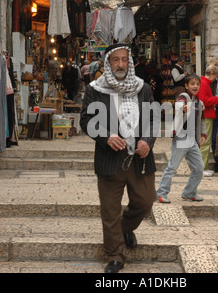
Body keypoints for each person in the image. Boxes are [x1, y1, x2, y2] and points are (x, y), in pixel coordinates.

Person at [80, 44, 157, 274]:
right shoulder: (95, 89)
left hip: (139, 157)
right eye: (116, 60)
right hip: (110, 157)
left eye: (124, 59)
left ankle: (124, 229)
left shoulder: (142, 88)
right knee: (110, 209)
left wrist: (147, 141)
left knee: (145, 202)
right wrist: (106, 137)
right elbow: (86, 120)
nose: (121, 64)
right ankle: (115, 254)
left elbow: (153, 118)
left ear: (130, 62)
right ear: (108, 63)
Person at [157, 74, 207, 204]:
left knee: (199, 168)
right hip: (181, 138)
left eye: (197, 84)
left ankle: (189, 192)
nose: (195, 86)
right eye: (192, 84)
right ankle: (162, 192)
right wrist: (183, 109)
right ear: (186, 86)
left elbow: (202, 120)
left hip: (193, 140)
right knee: (172, 167)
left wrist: (203, 135)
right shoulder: (183, 98)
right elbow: (179, 105)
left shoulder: (199, 103)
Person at [197, 64, 218, 177]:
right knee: (205, 142)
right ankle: (202, 168)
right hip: (206, 115)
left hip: (205, 114)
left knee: (204, 141)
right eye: (215, 75)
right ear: (211, 74)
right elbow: (203, 101)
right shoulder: (204, 83)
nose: (216, 78)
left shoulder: (203, 82)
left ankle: (202, 167)